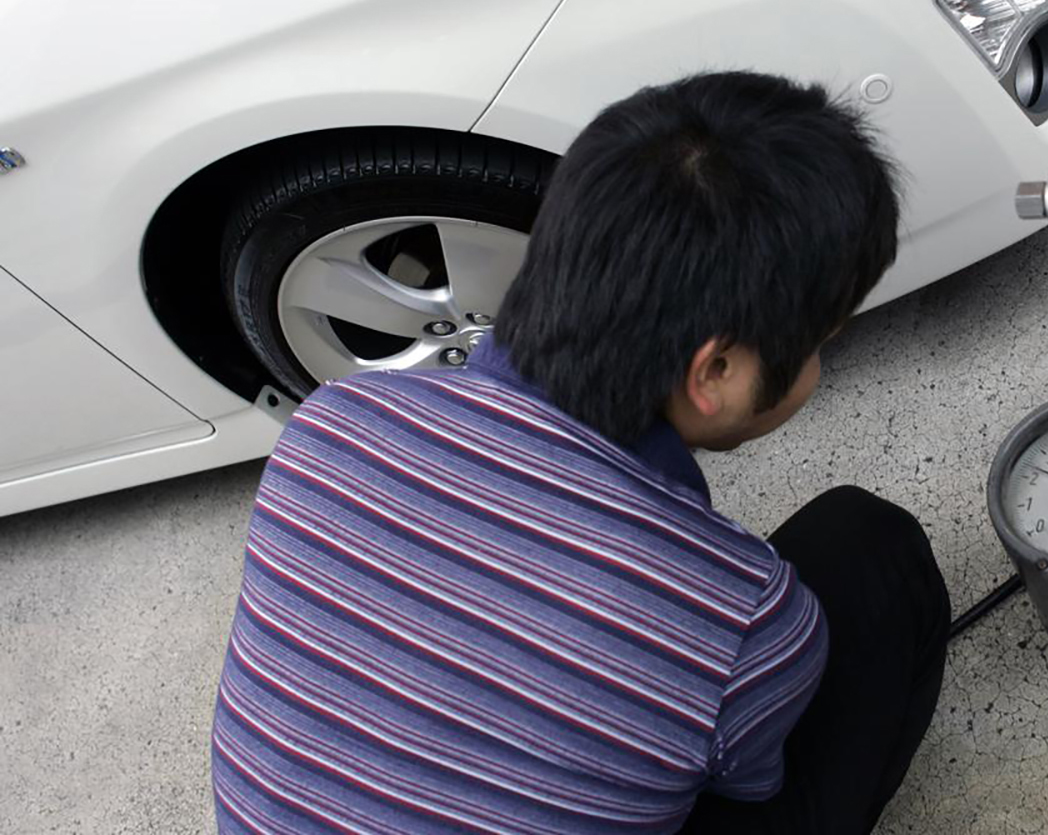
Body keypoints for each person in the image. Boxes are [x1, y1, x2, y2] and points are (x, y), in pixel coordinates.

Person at [210, 71, 951, 835]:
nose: (818, 364)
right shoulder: (747, 619)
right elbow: (744, 790)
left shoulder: (330, 426)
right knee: (870, 550)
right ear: (715, 373)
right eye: (822, 343)